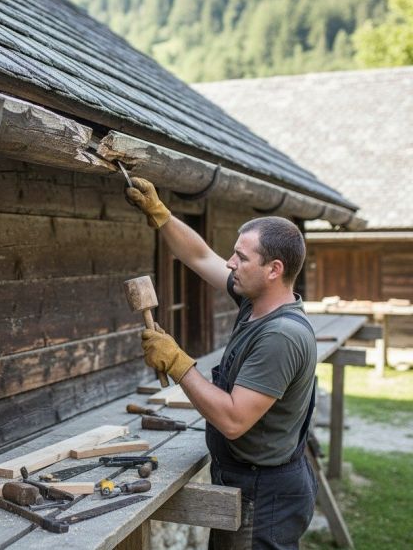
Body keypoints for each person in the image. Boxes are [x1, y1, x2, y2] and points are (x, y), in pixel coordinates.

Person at [126, 178, 318, 550]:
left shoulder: (281, 335)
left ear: (274, 269)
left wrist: (179, 363)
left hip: (264, 497)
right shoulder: (256, 303)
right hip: (245, 481)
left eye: (242, 258)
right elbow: (199, 257)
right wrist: (160, 214)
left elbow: (233, 420)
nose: (231, 263)